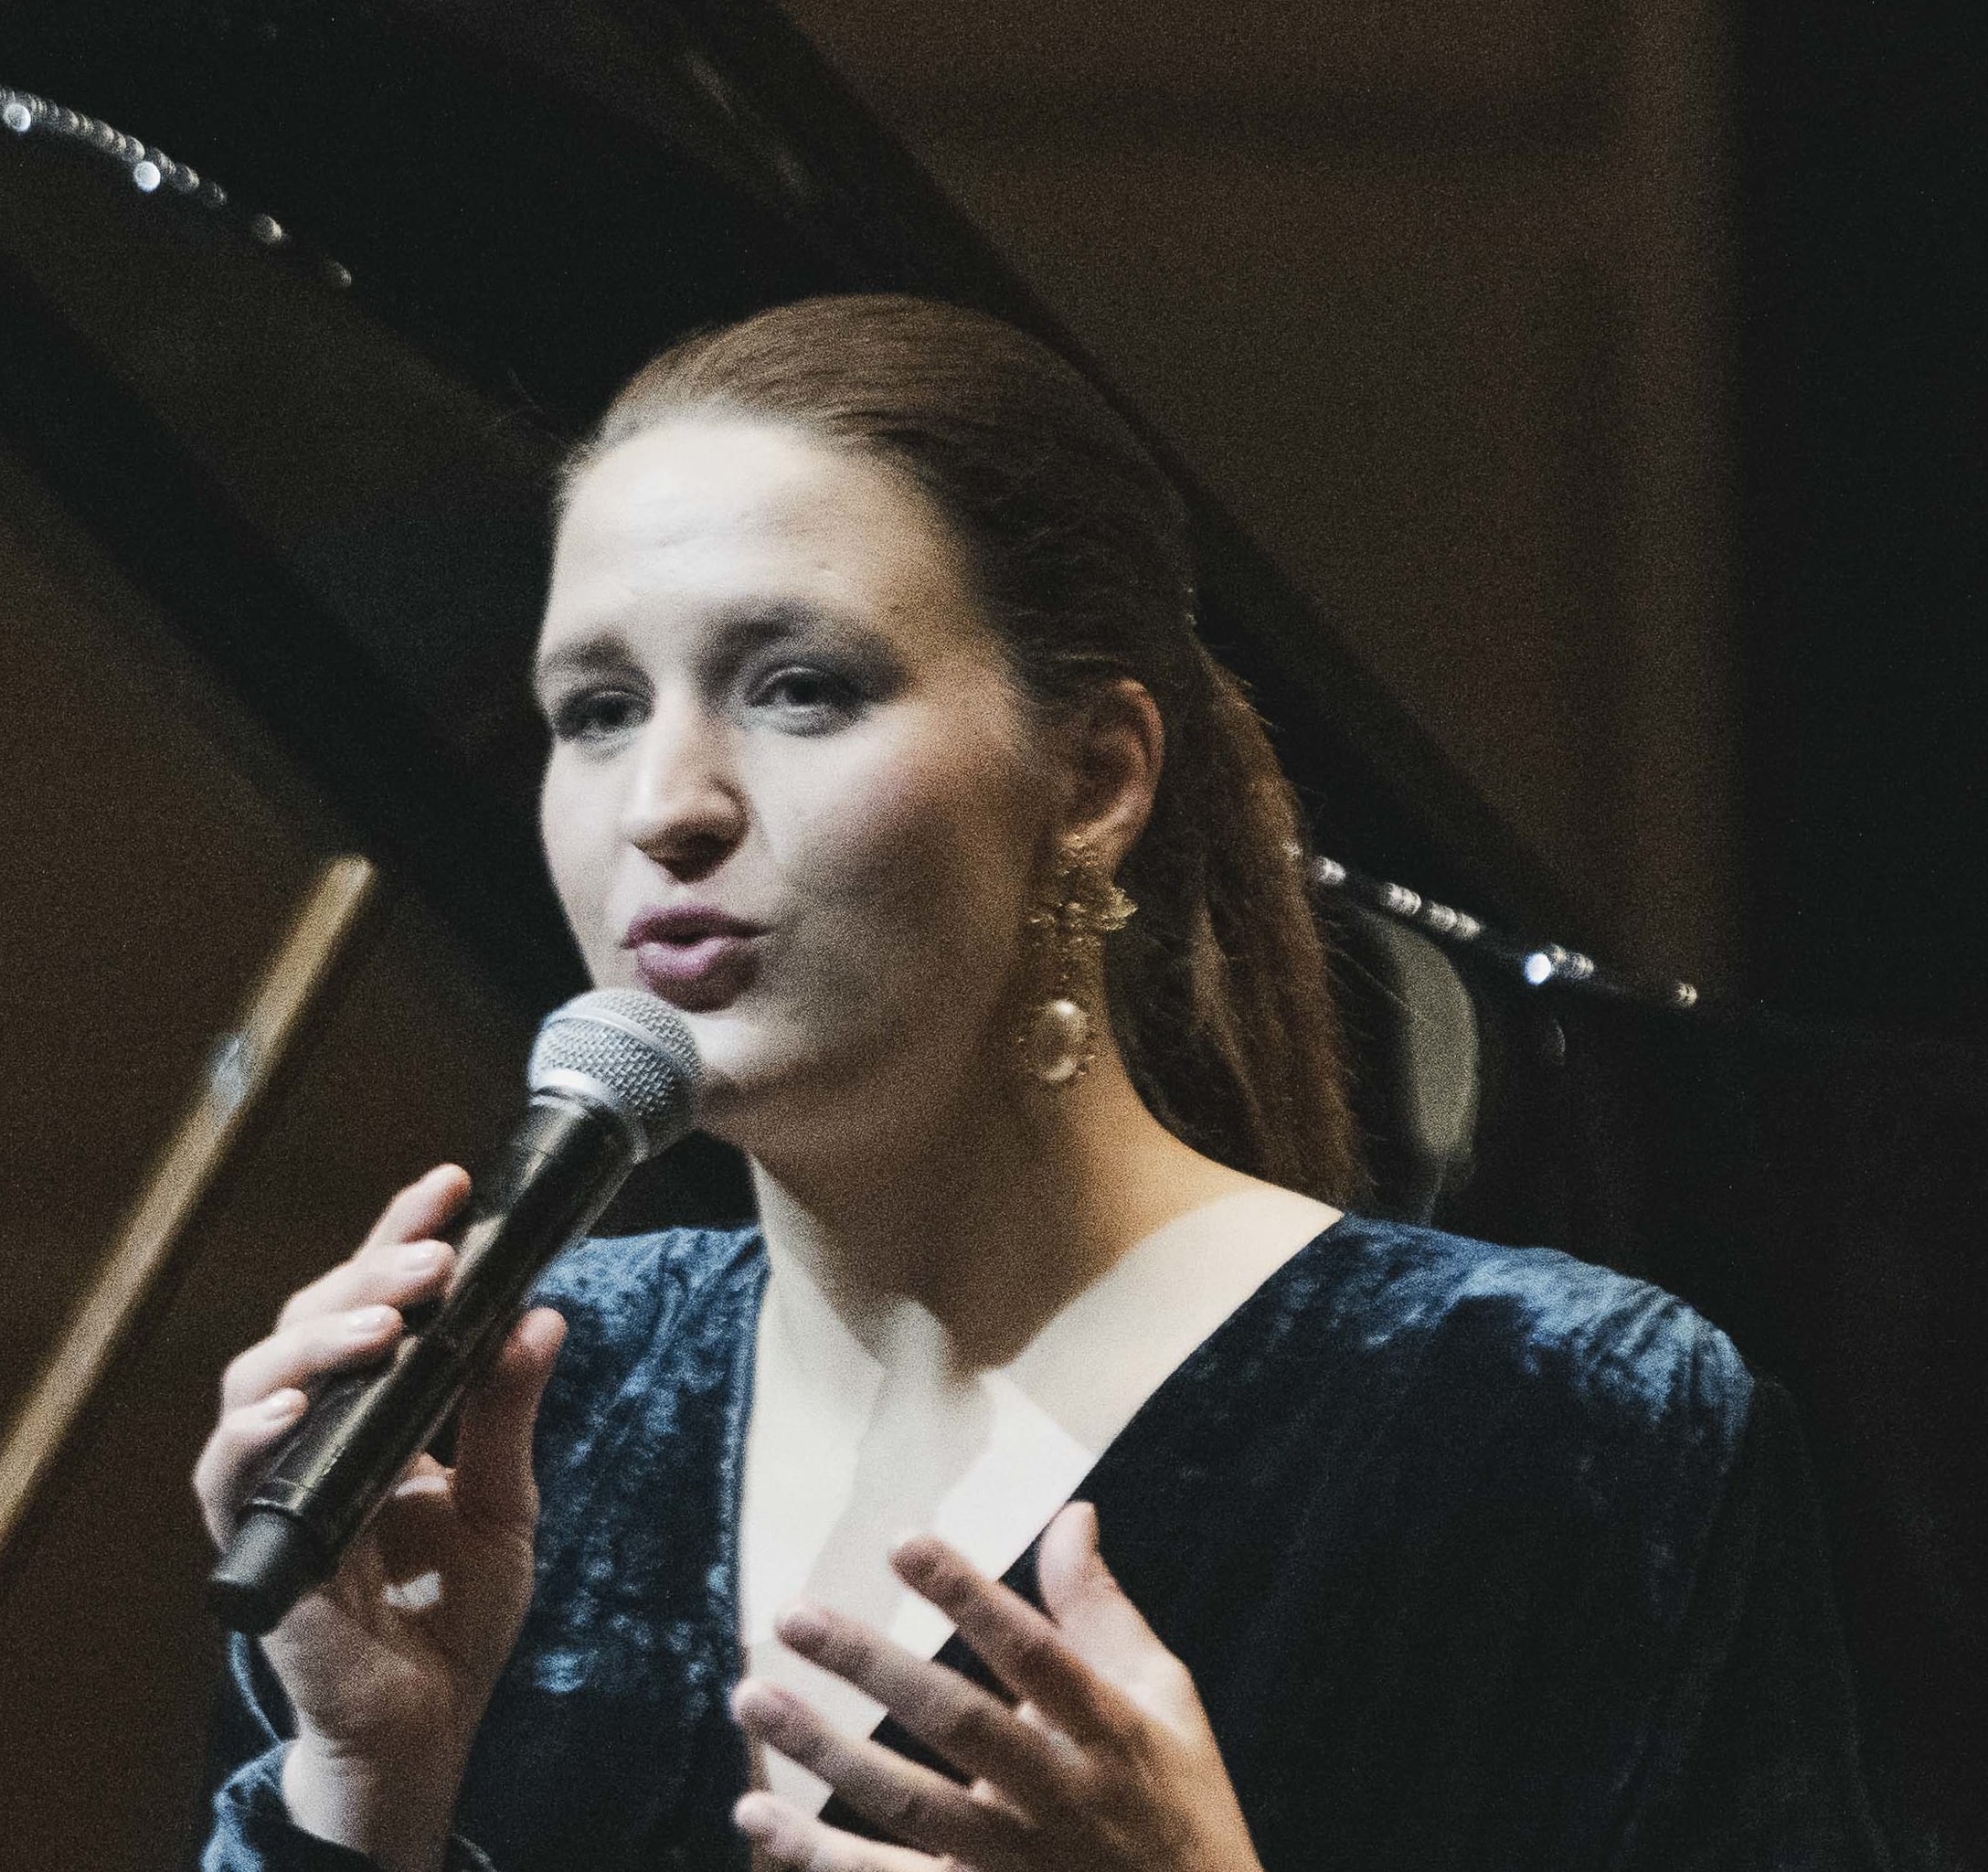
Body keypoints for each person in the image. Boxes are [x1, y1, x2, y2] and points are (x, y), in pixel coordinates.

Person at [193, 294, 1887, 1872]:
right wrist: (359, 1794)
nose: (664, 806)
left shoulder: (1549, 1418)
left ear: (1093, 781)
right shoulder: (523, 1405)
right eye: (596, 708)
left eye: (799, 689)